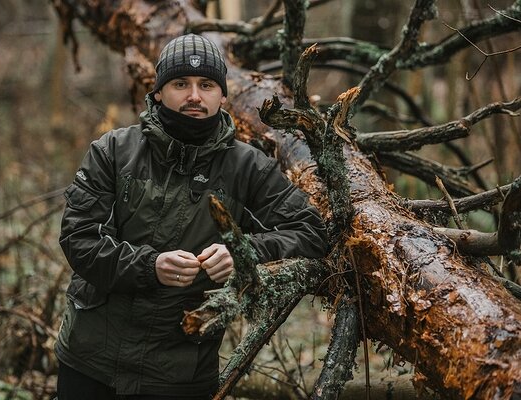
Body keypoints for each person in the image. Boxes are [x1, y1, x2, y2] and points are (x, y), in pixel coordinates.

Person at [55, 33, 328, 400]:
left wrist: (244, 253)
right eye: (181, 83)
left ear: (223, 96)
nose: (194, 96)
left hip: (180, 372)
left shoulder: (248, 167)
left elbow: (311, 233)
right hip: (91, 360)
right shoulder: (113, 151)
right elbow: (79, 239)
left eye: (207, 85)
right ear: (158, 92)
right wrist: (149, 266)